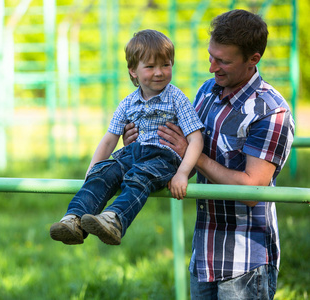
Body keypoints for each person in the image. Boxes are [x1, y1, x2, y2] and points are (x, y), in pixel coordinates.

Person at [124, 10, 295, 299]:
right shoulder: (207, 92)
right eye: (210, 56)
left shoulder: (270, 111)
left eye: (223, 61)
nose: (211, 67)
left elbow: (253, 190)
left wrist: (196, 155)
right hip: (204, 252)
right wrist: (138, 144)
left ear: (253, 59)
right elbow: (178, 157)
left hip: (245, 261)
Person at [50, 29, 204, 246]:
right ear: (133, 71)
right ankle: (74, 220)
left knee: (139, 177)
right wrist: (93, 169)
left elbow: (196, 138)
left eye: (166, 65)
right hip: (131, 153)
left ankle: (114, 220)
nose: (159, 72)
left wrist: (182, 173)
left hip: (162, 158)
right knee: (103, 174)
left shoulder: (176, 98)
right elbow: (109, 140)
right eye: (150, 66)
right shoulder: (128, 103)